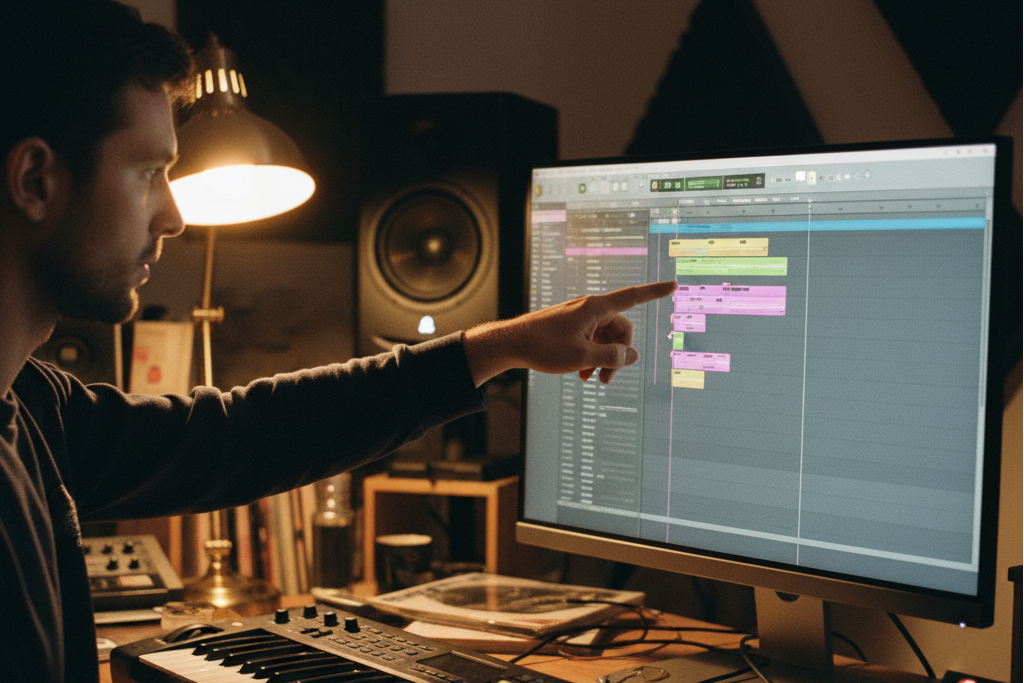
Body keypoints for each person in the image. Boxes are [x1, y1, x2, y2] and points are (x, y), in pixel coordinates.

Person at [0, 1, 676, 681]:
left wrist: (502, 345)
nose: (172, 214)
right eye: (150, 172)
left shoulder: (30, 405)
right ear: (36, 181)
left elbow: (238, 435)